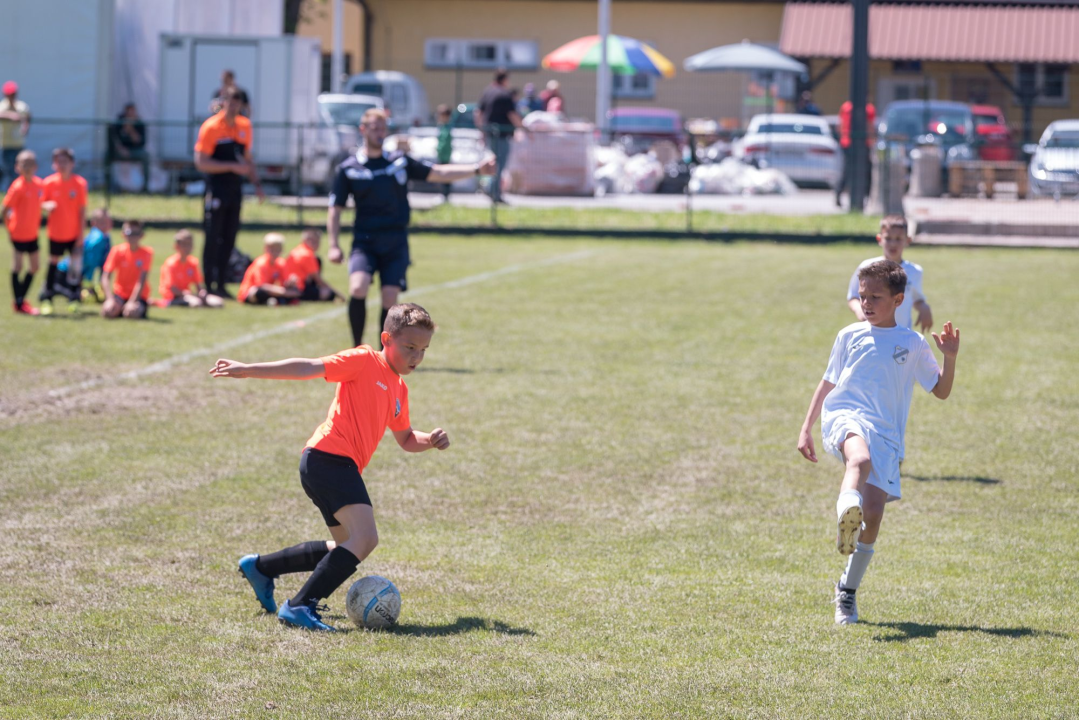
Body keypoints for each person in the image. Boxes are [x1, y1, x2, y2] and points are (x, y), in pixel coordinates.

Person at [212, 302, 450, 631]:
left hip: (329, 465)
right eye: (410, 347)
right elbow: (308, 366)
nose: (417, 357)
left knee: (345, 545)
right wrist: (249, 369)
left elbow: (406, 438)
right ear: (386, 339)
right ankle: (300, 606)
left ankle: (263, 568)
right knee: (365, 538)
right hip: (329, 459)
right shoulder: (364, 360)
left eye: (423, 350)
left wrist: (430, 440)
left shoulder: (399, 389)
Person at [797, 260, 961, 625]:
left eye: (875, 297)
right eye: (862, 296)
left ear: (898, 300)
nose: (866, 303)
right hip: (845, 416)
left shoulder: (912, 343)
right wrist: (806, 427)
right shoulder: (849, 335)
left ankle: (847, 589)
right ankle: (846, 512)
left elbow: (941, 390)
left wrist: (949, 359)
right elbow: (827, 382)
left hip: (886, 433)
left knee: (873, 516)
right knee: (858, 460)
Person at [327, 108, 495, 347]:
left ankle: (382, 356)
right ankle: (357, 350)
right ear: (362, 130)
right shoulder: (349, 168)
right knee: (358, 287)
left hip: (395, 240)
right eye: (374, 128)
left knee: (390, 298)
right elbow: (335, 208)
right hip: (365, 241)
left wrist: (477, 169)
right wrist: (333, 245)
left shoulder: (398, 162)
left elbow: (437, 172)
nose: (379, 133)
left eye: (383, 128)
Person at [194, 85, 264, 298]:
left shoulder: (244, 126)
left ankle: (222, 283)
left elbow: (247, 158)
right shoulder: (211, 127)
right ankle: (209, 283)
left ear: (241, 104)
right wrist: (231, 167)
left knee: (230, 236)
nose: (233, 106)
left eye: (236, 102)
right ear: (222, 102)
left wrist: (256, 183)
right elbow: (201, 163)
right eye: (229, 102)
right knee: (212, 236)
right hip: (216, 188)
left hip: (235, 189)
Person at [847, 215, 932, 332]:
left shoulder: (915, 271)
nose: (893, 244)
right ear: (879, 239)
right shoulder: (867, 267)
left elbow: (916, 299)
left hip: (902, 335)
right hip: (873, 333)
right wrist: (859, 310)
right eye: (888, 238)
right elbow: (853, 297)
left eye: (898, 239)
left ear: (908, 240)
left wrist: (924, 308)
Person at [39, 148, 88, 315]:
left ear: (72, 163)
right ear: (54, 164)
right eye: (58, 162)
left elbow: (82, 211)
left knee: (75, 267)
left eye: (65, 161)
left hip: (73, 233)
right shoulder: (49, 183)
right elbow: (41, 202)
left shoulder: (79, 184)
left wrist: (80, 235)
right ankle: (47, 298)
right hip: (55, 233)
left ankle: (74, 299)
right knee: (52, 264)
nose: (62, 165)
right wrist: (46, 205)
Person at [1, 149, 43, 314]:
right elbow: (5, 209)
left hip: (33, 233)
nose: (27, 167)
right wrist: (9, 227)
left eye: (30, 164)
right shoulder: (17, 187)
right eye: (23, 164)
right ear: (17, 167)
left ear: (36, 166)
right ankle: (19, 302)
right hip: (18, 233)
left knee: (35, 267)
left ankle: (20, 299)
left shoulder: (39, 184)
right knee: (17, 267)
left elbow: (38, 202)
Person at [474, 69, 523, 204]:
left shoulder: (487, 92)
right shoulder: (505, 94)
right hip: (501, 135)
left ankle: (490, 189)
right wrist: (523, 127)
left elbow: (479, 113)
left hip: (490, 133)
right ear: (505, 79)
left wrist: (482, 130)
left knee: (493, 162)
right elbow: (512, 115)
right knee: (499, 164)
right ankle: (494, 192)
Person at [158, 229, 223, 308]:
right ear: (177, 246)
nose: (187, 248)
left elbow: (198, 285)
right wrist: (185, 293)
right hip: (173, 296)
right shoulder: (171, 264)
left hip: (188, 294)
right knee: (196, 303)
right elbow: (172, 289)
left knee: (218, 302)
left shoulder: (193, 262)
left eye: (189, 244)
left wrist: (202, 292)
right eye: (184, 244)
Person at [101, 220, 152, 319]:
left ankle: (126, 309)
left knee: (131, 312)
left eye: (136, 233)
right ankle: (120, 309)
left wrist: (132, 301)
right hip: (120, 295)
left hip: (138, 296)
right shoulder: (116, 251)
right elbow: (105, 277)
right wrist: (109, 299)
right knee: (108, 311)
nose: (132, 237)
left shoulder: (147, 253)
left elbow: (141, 281)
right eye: (129, 233)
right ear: (123, 234)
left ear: (141, 235)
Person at [238, 232, 298, 306]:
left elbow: (284, 283)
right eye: (272, 249)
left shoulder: (281, 263)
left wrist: (291, 283)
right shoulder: (261, 263)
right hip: (251, 292)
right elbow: (261, 285)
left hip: (271, 290)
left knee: (294, 292)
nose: (275, 251)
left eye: (277, 249)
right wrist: (283, 292)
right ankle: (274, 301)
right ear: (266, 248)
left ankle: (273, 301)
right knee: (258, 292)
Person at [836, 100, 876, 208]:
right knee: (866, 171)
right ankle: (866, 197)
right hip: (863, 143)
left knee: (847, 170)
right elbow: (870, 126)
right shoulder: (869, 109)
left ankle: (838, 194)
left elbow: (840, 125)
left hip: (846, 142)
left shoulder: (845, 106)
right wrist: (872, 141)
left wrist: (842, 138)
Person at [285, 229, 339, 302]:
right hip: (299, 289)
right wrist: (337, 293)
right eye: (312, 241)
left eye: (317, 241)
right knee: (328, 293)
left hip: (290, 286)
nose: (316, 244)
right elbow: (318, 280)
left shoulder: (296, 250)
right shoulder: (307, 254)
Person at [109, 103, 148, 192]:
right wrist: (120, 149)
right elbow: (114, 139)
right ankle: (111, 185)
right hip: (120, 151)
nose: (130, 115)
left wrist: (130, 130)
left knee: (146, 156)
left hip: (135, 151)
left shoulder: (140, 123)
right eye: (128, 113)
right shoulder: (118, 123)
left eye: (132, 112)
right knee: (107, 155)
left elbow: (140, 141)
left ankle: (145, 187)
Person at [0, 80, 31, 193]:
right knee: (9, 172)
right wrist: (11, 116)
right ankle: (11, 194)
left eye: (13, 94)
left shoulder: (21, 106)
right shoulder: (2, 106)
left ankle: (20, 193)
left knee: (20, 172)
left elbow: (28, 117)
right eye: (9, 94)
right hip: (6, 145)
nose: (11, 96)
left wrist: (26, 127)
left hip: (19, 144)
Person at [435, 104, 454, 200]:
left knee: (445, 175)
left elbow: (444, 143)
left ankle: (445, 195)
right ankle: (443, 194)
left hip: (445, 155)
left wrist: (439, 149)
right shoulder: (442, 127)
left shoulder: (448, 128)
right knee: (442, 176)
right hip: (442, 155)